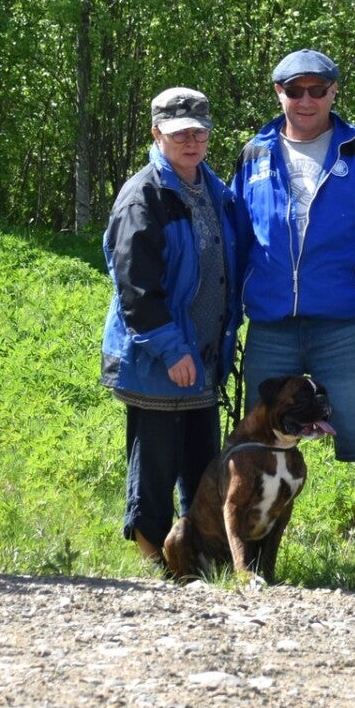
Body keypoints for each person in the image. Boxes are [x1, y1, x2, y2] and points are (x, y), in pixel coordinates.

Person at [232, 50, 355, 589]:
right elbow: (237, 240)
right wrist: (228, 321)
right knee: (252, 445)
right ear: (279, 93)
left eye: (317, 89)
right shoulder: (255, 154)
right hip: (271, 326)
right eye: (295, 90)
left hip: (345, 326)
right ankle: (243, 561)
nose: (306, 100)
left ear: (334, 92)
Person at [102, 88, 242, 573]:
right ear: (157, 133)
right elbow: (136, 288)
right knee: (155, 467)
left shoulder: (215, 190)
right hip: (158, 358)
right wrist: (171, 349)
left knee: (202, 466)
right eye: (180, 133)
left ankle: (193, 560)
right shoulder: (143, 196)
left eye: (199, 132)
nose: (191, 142)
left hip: (202, 358)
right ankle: (152, 563)